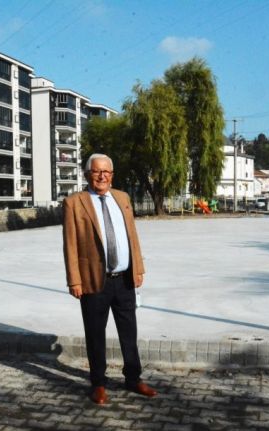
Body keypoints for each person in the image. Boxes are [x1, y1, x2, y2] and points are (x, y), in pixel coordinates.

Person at [62, 153, 157, 405]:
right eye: (97, 171)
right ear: (87, 174)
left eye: (106, 172)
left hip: (124, 279)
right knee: (95, 334)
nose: (102, 176)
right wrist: (74, 280)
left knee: (129, 332)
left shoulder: (122, 198)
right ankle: (98, 384)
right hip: (93, 281)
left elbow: (132, 236)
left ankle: (133, 378)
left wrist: (138, 268)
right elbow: (70, 245)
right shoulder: (74, 203)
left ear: (112, 175)